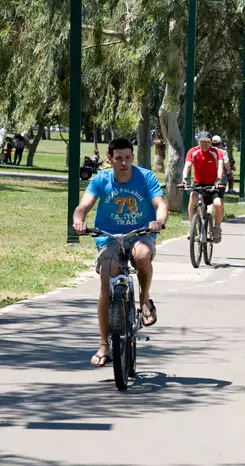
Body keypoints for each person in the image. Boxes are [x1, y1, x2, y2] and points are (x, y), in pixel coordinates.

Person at [72, 137, 168, 367]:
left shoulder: (145, 177)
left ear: (132, 157)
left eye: (128, 157)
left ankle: (144, 300)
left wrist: (159, 221)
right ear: (110, 159)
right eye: (118, 158)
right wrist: (79, 220)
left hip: (140, 233)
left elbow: (160, 205)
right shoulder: (101, 179)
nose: (124, 163)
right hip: (108, 236)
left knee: (143, 256)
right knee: (107, 280)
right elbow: (83, 206)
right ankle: (104, 343)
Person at [181, 131, 225, 243]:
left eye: (207, 142)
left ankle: (217, 228)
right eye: (202, 142)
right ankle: (192, 228)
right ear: (198, 142)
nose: (204, 144)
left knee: (218, 203)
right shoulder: (193, 152)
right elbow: (187, 165)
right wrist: (185, 179)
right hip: (199, 183)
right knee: (193, 198)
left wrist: (219, 179)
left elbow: (220, 166)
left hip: (214, 183)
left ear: (211, 142)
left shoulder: (216, 152)